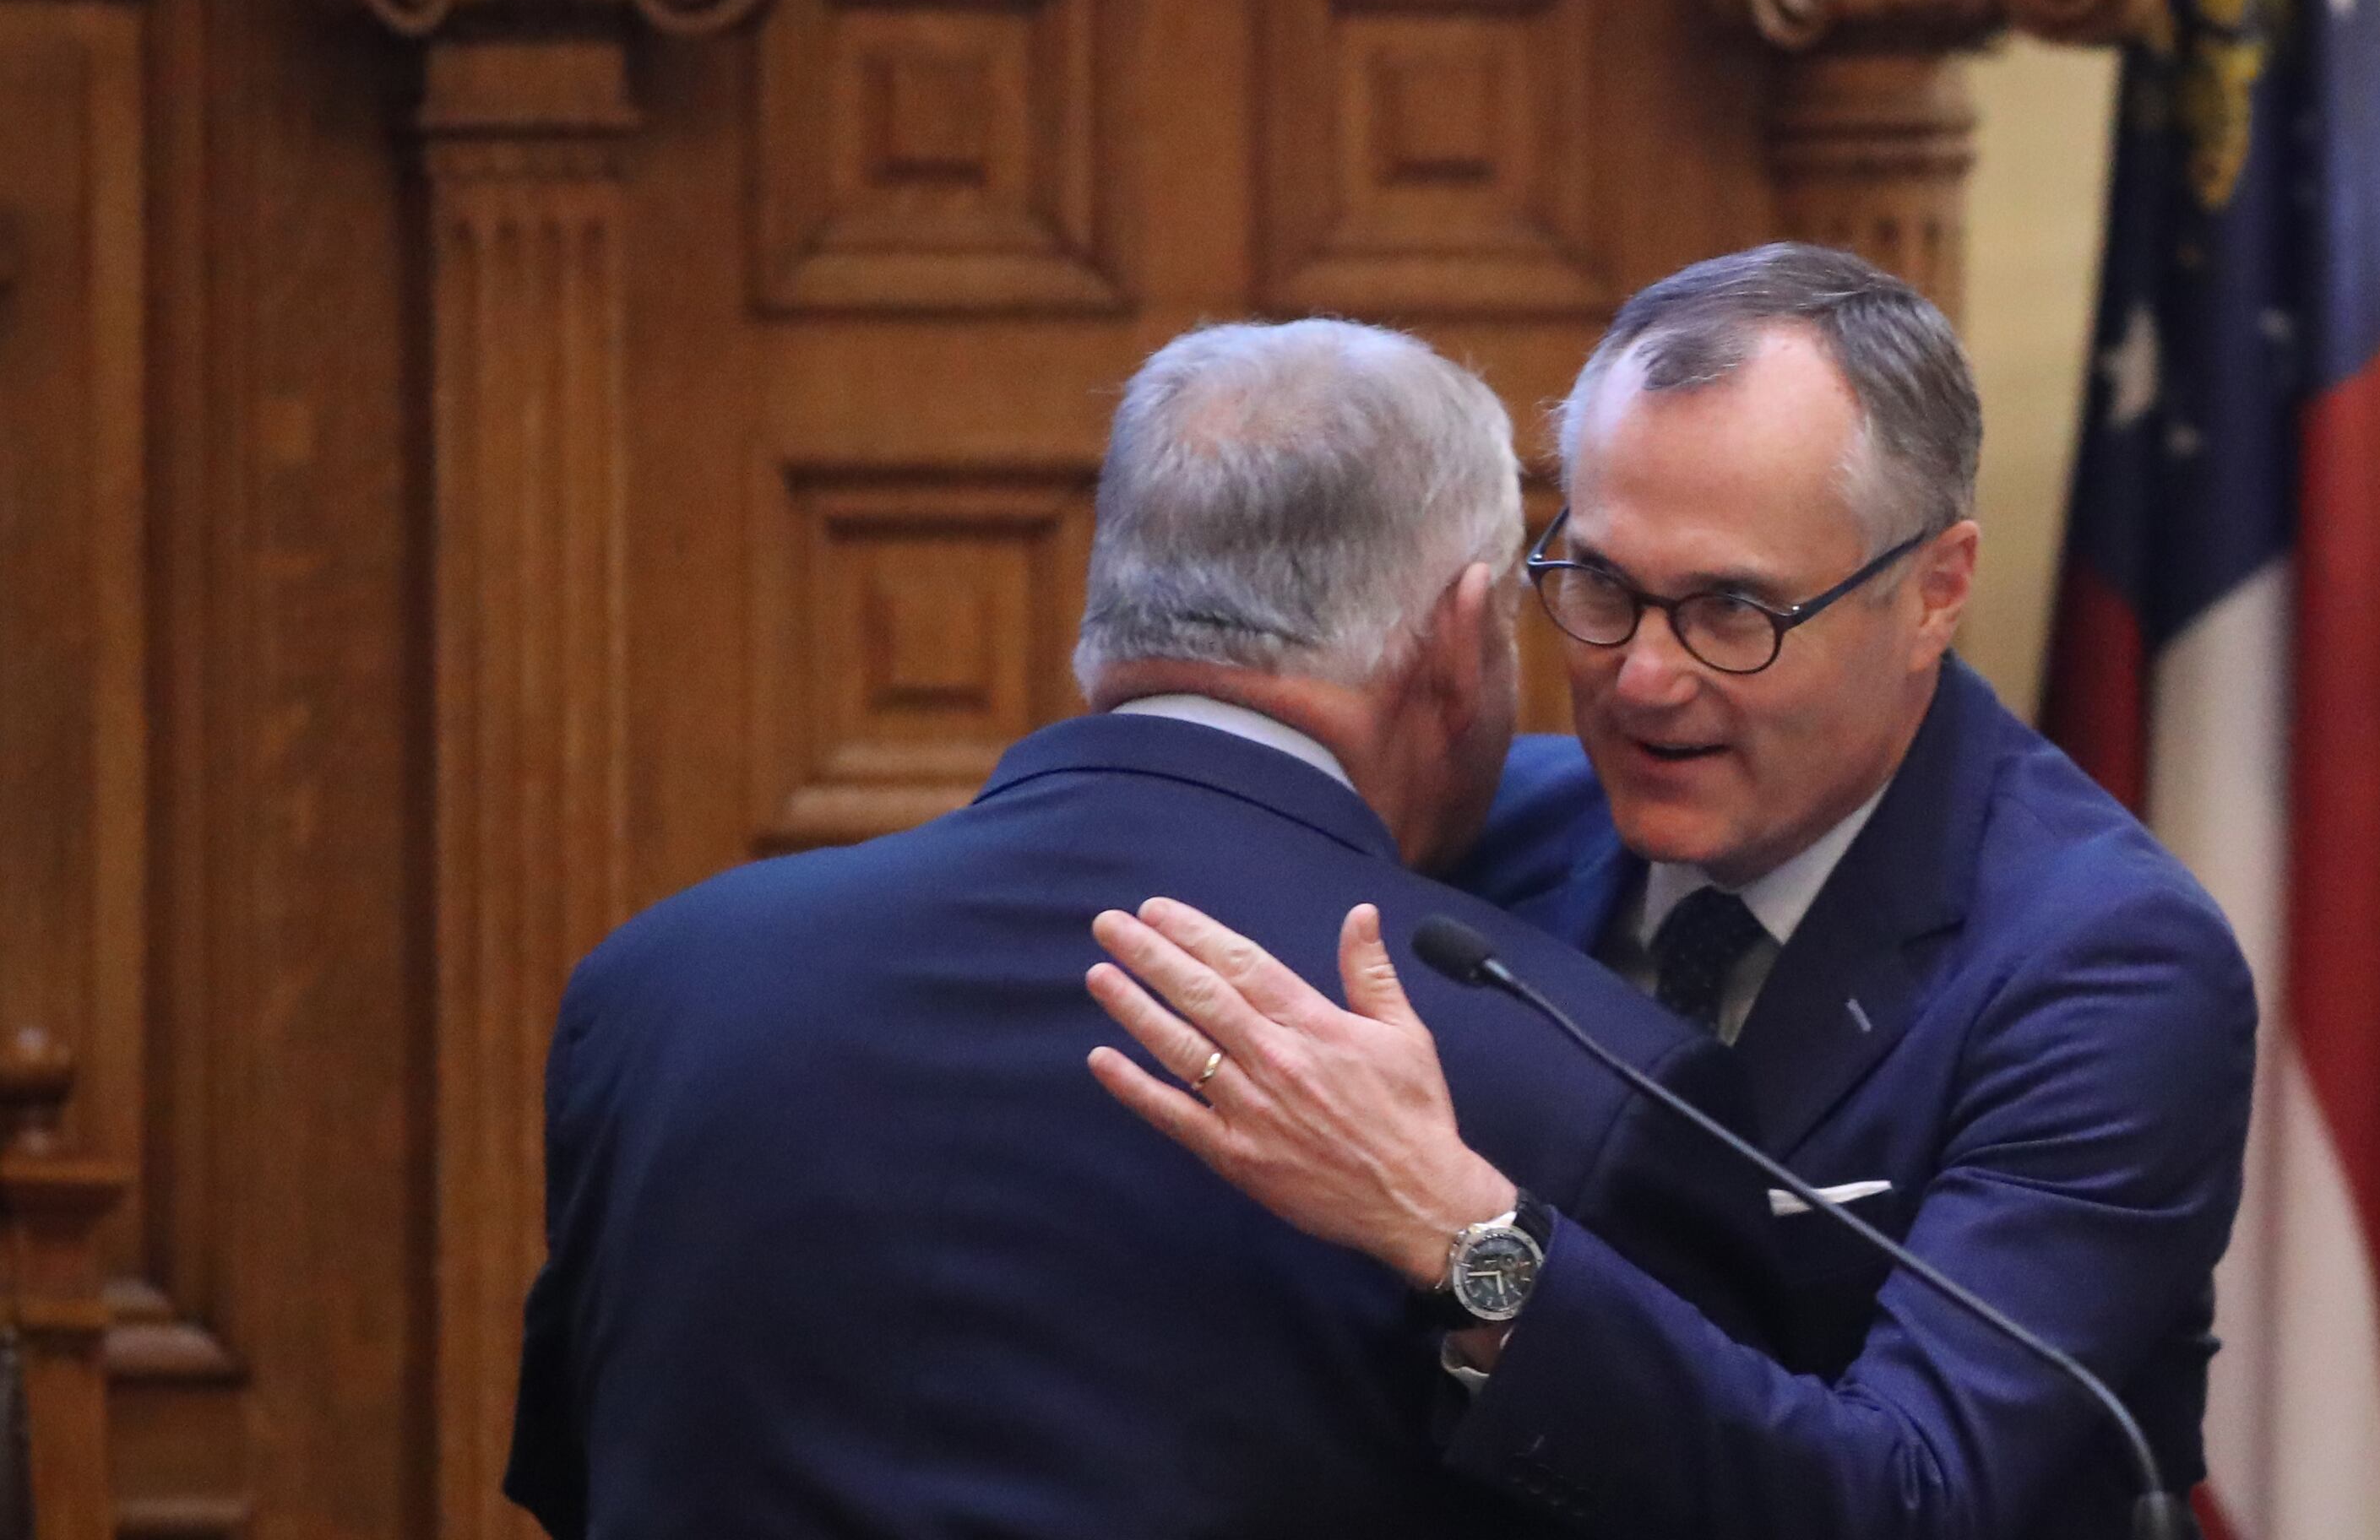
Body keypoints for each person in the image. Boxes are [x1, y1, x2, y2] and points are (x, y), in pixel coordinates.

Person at [503, 320, 1771, 1539]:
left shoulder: (658, 990)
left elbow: (589, 1464)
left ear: (1110, 604)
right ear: (1457, 636)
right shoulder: (1579, 1092)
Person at [1090, 244, 2258, 1539]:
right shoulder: (1483, 841)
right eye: (1601, 584)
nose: (1641, 679)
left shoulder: (2101, 966)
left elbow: (1917, 1500)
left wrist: (1473, 1243)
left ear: (1935, 592)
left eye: (1730, 609)